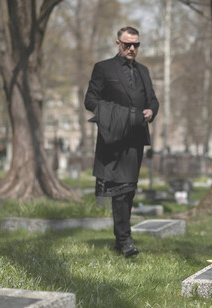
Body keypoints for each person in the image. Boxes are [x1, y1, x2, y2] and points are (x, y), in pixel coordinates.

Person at [84, 26, 159, 258]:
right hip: (114, 137)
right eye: (127, 44)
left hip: (136, 137)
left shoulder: (144, 71)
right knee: (120, 189)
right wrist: (119, 115)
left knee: (129, 189)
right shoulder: (104, 68)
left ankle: (121, 240)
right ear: (118, 43)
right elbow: (90, 100)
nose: (132, 48)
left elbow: (153, 100)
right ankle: (125, 241)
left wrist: (150, 111)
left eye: (136, 44)